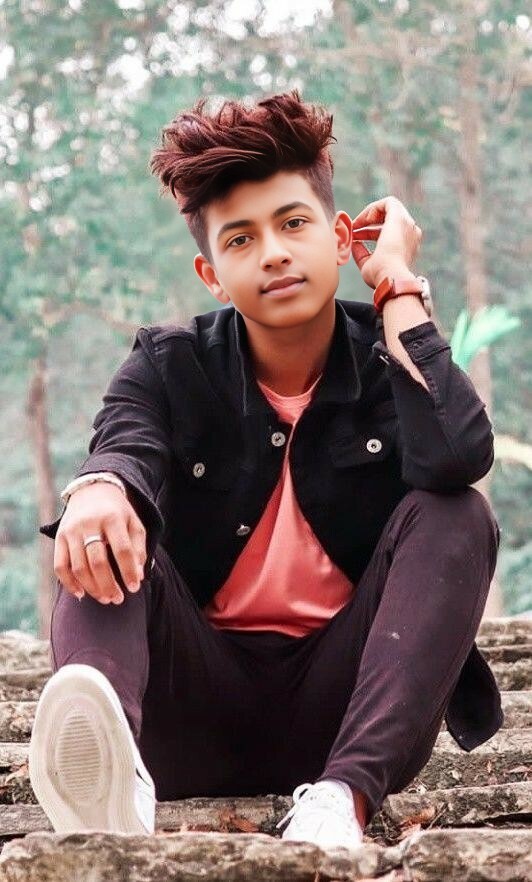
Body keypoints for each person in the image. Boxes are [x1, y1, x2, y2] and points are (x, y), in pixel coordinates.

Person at [30, 90, 502, 850]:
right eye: (242, 239)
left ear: (339, 237)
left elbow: (458, 454)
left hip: (352, 714)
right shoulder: (170, 362)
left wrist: (395, 283)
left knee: (457, 510)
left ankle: (340, 803)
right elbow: (124, 443)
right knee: (102, 519)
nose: (275, 252)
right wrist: (101, 488)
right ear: (212, 274)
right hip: (190, 714)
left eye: (293, 223)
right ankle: (109, 781)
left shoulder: (387, 356)